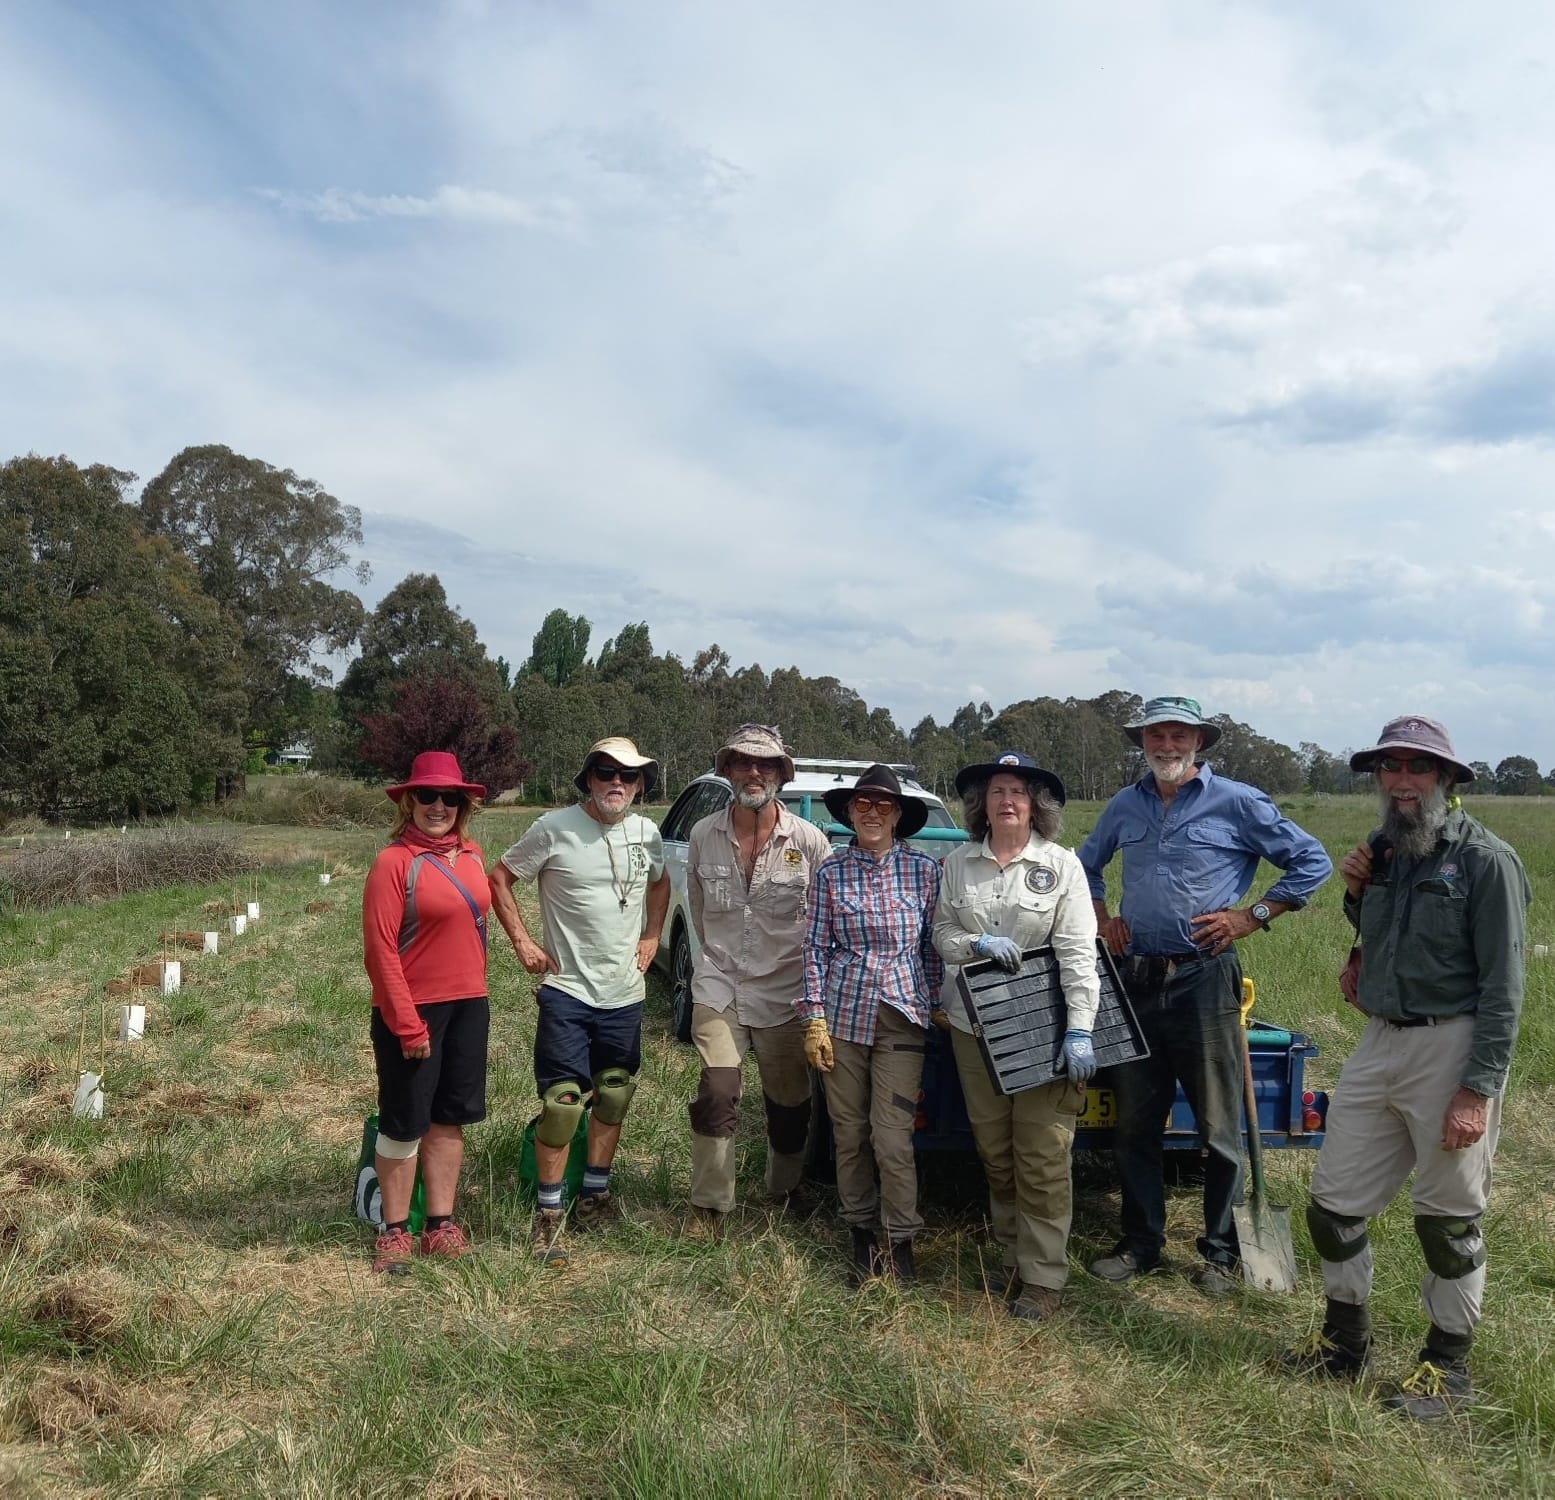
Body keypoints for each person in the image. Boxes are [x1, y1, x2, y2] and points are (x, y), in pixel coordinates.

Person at [1280, 716, 1531, 1420]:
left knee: (1447, 1219)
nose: (1401, 781)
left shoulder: (1486, 861)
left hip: (1450, 1048)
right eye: (1389, 768)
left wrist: (1475, 1090)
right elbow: (1373, 935)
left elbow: (1504, 988)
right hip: (1379, 1043)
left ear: (1446, 780)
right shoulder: (1385, 852)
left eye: (1417, 768)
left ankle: (1444, 1370)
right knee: (1331, 1205)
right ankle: (1342, 1342)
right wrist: (1356, 896)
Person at [1077, 695, 1332, 1294]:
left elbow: (1311, 861)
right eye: (1155, 736)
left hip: (1204, 978)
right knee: (1135, 1123)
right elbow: (1086, 864)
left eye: (1178, 737)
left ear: (1198, 744)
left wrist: (1254, 915)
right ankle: (1141, 1243)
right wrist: (1101, 917)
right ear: (1142, 742)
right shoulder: (1126, 803)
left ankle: (1220, 1253)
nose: (1166, 746)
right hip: (1137, 978)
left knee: (1219, 1127)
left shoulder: (1237, 801)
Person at [933, 751, 1100, 1321]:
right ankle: (1011, 1258)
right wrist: (972, 945)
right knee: (996, 1153)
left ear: (1037, 807)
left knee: (1044, 1155)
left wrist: (1079, 1029)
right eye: (998, 791)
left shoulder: (1063, 866)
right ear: (982, 805)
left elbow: (1079, 953)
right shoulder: (958, 863)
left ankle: (1044, 1278)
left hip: (1040, 1030)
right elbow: (942, 931)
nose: (1007, 800)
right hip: (972, 1027)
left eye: (1020, 792)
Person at [490, 737, 669, 1266]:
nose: (618, 783)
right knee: (563, 1102)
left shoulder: (647, 832)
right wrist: (523, 941)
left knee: (613, 1093)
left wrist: (653, 934)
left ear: (640, 786)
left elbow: (659, 885)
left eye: (629, 776)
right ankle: (549, 1215)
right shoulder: (553, 827)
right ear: (588, 779)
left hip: (625, 994)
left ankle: (596, 1195)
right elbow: (499, 878)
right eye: (606, 772)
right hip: (567, 990)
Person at [685, 725, 835, 1235]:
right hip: (720, 982)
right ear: (726, 770)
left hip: (785, 991)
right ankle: (709, 1205)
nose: (754, 772)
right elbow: (700, 911)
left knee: (789, 1101)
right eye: (744, 763)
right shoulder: (704, 834)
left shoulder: (811, 842)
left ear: (781, 775)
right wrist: (712, 964)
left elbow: (826, 920)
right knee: (718, 1087)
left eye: (766, 764)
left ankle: (785, 1188)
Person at [800, 763, 944, 1285]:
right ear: (851, 812)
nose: (872, 813)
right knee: (850, 1134)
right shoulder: (831, 873)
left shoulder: (926, 871)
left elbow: (932, 947)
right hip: (843, 1016)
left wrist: (935, 1001)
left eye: (884, 805)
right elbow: (815, 948)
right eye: (863, 804)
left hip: (903, 1017)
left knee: (892, 1138)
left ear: (899, 815)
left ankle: (899, 1240)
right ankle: (861, 1233)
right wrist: (814, 1016)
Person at [362, 751, 492, 1273]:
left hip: (468, 1006)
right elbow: (380, 951)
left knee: (449, 1119)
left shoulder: (474, 856)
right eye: (428, 796)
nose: (438, 806)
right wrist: (406, 1022)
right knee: (404, 1123)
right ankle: (395, 1230)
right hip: (412, 1011)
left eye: (450, 797)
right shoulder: (394, 862)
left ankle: (441, 1223)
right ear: (409, 801)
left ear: (463, 805)